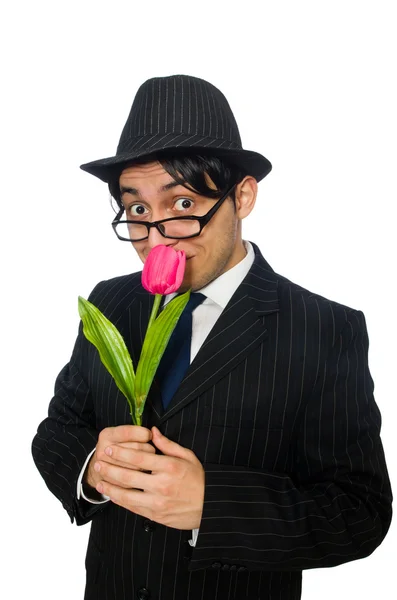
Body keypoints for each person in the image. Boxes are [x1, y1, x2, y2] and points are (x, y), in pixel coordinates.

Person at [32, 74, 393, 600]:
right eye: (137, 210)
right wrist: (94, 468)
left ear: (242, 196)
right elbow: (57, 429)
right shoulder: (110, 303)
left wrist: (211, 504)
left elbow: (359, 511)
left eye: (182, 206)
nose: (155, 237)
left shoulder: (326, 328)